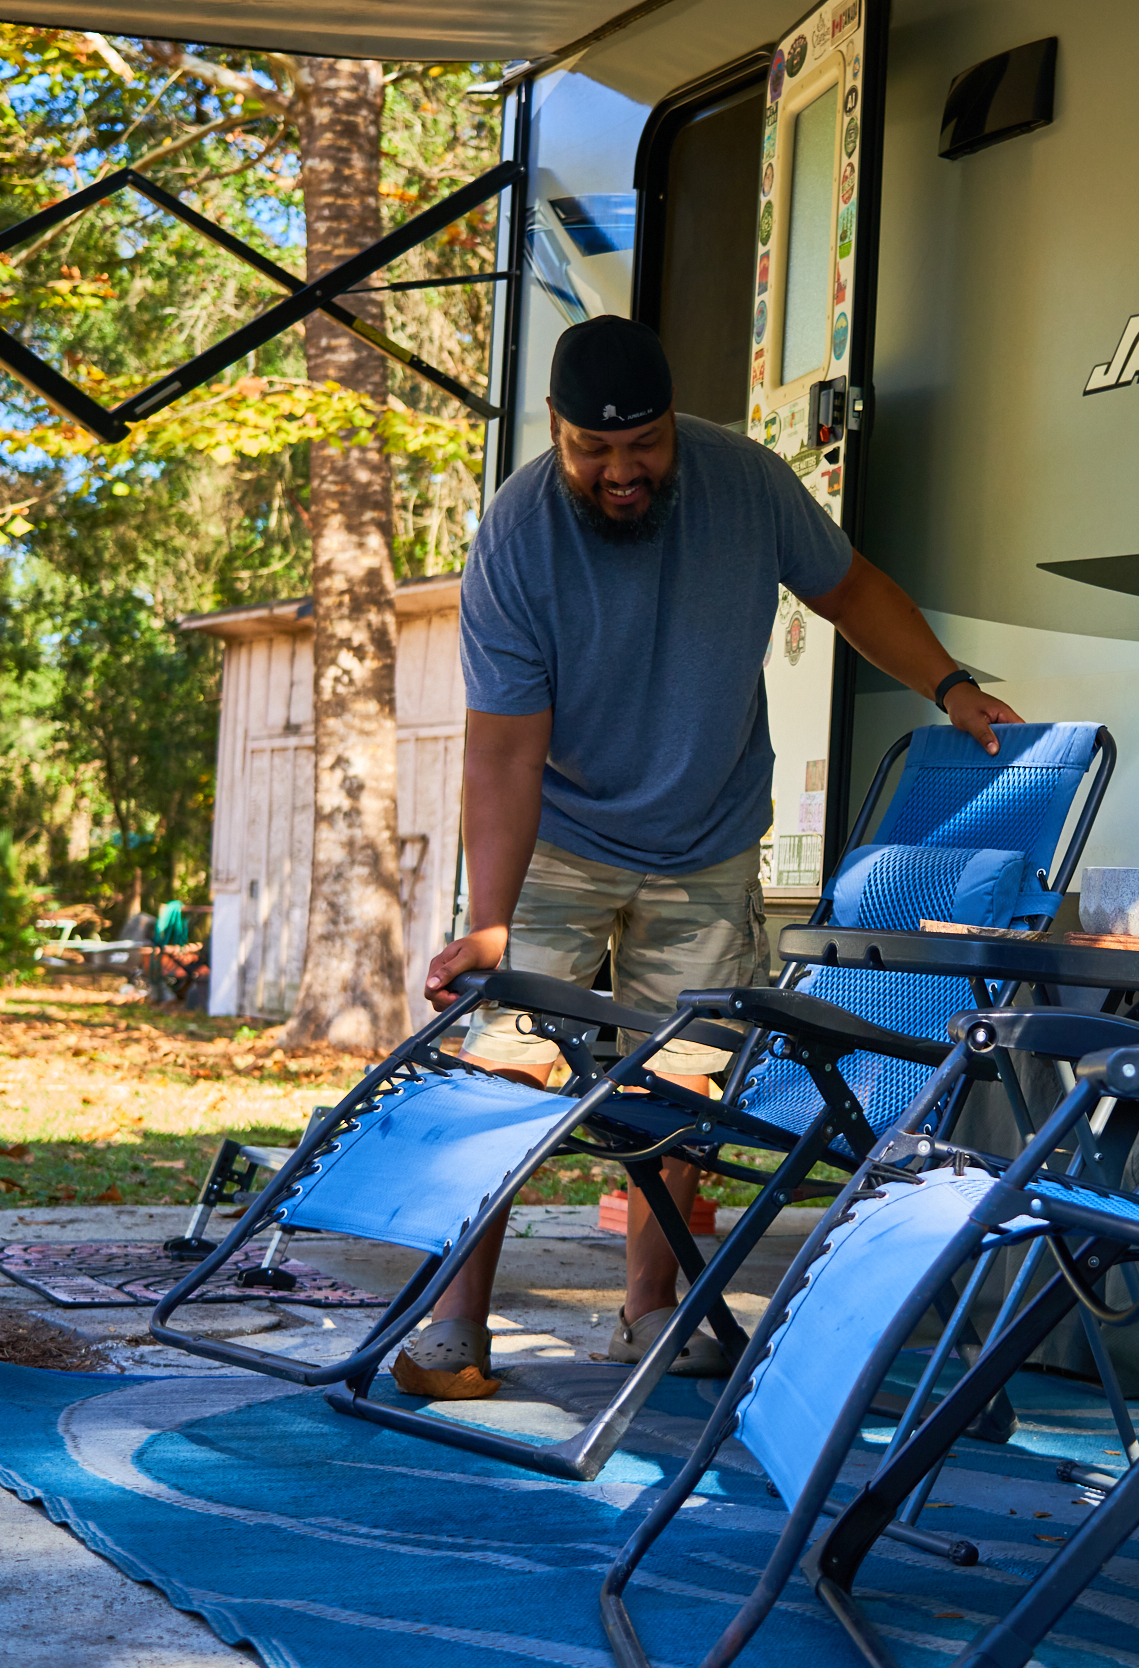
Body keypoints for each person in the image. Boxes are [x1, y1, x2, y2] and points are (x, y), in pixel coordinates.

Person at [399, 314, 1020, 1395]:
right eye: (595, 452)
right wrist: (491, 920)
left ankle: (650, 1308)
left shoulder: (746, 484)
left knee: (683, 1083)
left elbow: (851, 589)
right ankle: (457, 1322)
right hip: (561, 837)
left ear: (672, 423)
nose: (622, 471)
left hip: (706, 837)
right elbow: (502, 751)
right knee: (494, 1062)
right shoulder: (515, 535)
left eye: (643, 444)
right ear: (554, 431)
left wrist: (951, 684)